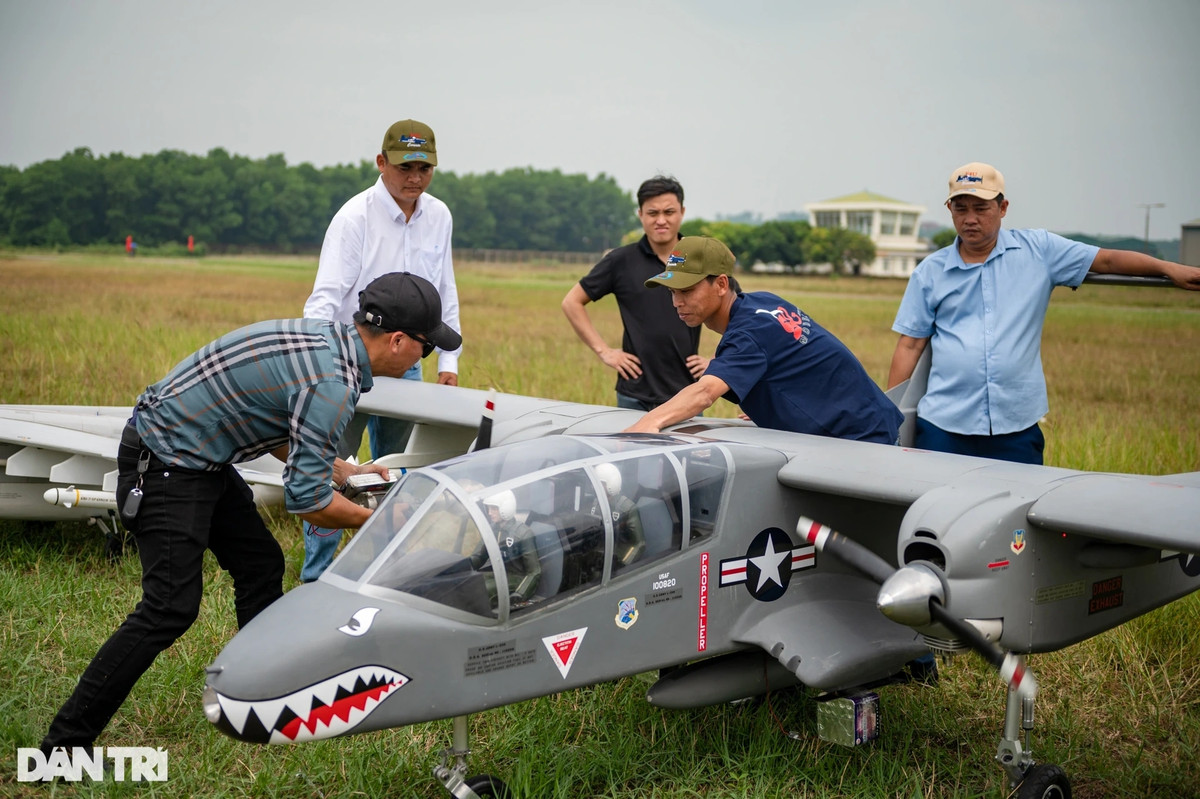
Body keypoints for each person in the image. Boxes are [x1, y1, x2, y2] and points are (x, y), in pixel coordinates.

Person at [38, 272, 462, 756]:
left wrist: (346, 471)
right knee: (169, 609)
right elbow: (308, 502)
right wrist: (384, 523)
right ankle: (64, 747)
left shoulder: (328, 343)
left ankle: (264, 699)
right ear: (398, 341)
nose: (421, 361)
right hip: (167, 458)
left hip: (199, 454)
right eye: (426, 350)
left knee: (260, 564)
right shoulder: (334, 382)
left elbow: (281, 429)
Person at [888, 162, 1200, 464]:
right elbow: (910, 344)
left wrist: (1166, 267)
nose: (970, 218)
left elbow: (1105, 261)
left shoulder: (1038, 251)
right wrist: (892, 415)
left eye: (980, 208)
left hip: (1016, 426)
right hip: (944, 426)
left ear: (1003, 208)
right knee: (939, 509)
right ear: (950, 210)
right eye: (961, 208)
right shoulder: (930, 271)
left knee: (1016, 511)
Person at [301, 119, 462, 581]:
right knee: (332, 468)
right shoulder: (355, 217)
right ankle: (317, 577)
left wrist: (448, 361)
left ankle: (386, 572)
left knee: (398, 472)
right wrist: (319, 366)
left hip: (407, 366)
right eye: (405, 166)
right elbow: (325, 298)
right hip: (348, 364)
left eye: (424, 167)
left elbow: (444, 289)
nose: (414, 177)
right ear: (381, 163)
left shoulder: (439, 215)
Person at [624, 236, 902, 444]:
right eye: (672, 292)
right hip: (870, 422)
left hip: (862, 440)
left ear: (721, 284)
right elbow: (794, 364)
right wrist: (770, 407)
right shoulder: (761, 302)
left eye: (686, 290)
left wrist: (649, 421)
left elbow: (704, 393)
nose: (677, 302)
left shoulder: (748, 334)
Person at [562, 175, 708, 411]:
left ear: (682, 211)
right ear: (640, 214)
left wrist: (719, 362)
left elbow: (734, 309)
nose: (661, 220)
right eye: (652, 213)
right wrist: (604, 352)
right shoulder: (620, 261)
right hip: (634, 396)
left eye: (669, 212)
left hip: (687, 394)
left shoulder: (699, 258)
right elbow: (572, 302)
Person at [478, 490, 541, 605]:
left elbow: (534, 571)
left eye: (494, 509)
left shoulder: (523, 534)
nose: (490, 513)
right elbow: (479, 556)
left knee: (483, 590)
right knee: (471, 583)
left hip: (518, 578)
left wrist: (520, 594)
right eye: (488, 508)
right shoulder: (492, 530)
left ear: (506, 508)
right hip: (500, 573)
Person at [594, 462, 644, 570]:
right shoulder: (595, 504)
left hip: (616, 560)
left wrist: (623, 564)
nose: (596, 487)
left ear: (611, 484)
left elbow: (639, 544)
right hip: (597, 558)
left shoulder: (627, 508)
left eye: (600, 484)